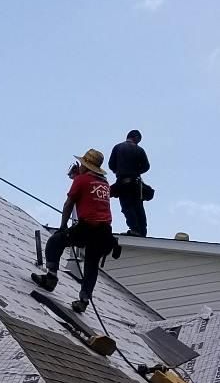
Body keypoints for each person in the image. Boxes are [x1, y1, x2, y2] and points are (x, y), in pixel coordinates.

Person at [31, 149, 120, 313]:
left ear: (86, 166)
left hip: (88, 227)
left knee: (56, 241)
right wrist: (77, 177)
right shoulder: (104, 183)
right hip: (105, 233)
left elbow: (69, 204)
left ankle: (51, 278)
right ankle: (83, 301)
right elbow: (90, 194)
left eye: (82, 164)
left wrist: (63, 225)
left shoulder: (82, 179)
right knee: (91, 264)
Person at [108, 129, 150, 236]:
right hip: (136, 184)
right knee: (138, 207)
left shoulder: (118, 147)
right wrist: (136, 171)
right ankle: (141, 231)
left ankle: (135, 230)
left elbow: (111, 165)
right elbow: (146, 167)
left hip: (122, 183)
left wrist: (119, 171)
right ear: (135, 137)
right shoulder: (139, 150)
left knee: (127, 206)